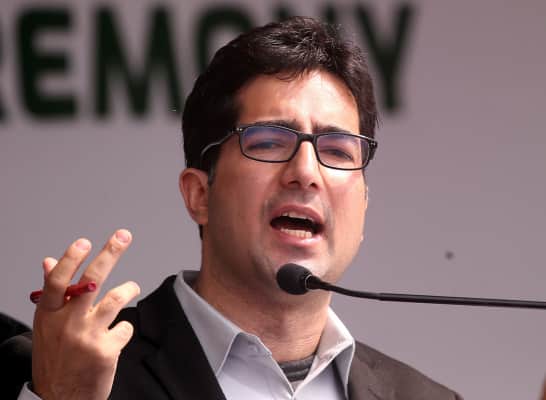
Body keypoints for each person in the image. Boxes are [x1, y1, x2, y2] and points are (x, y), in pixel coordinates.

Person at [10, 16, 462, 399]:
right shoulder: (67, 373)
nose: (306, 172)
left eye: (337, 150)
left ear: (363, 204)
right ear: (199, 195)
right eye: (269, 142)